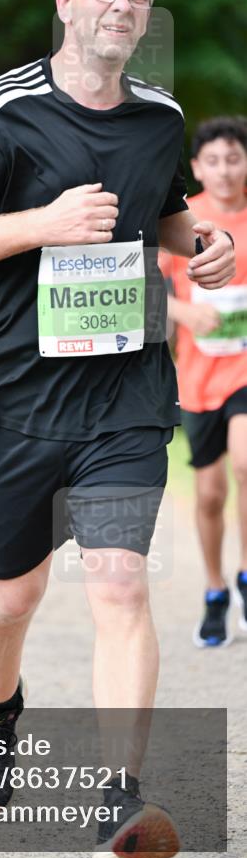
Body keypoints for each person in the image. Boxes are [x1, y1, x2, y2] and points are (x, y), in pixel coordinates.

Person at [0, 0, 235, 858]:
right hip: (9, 399)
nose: (122, 3)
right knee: (10, 598)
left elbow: (160, 208)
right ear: (64, 1)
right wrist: (41, 224)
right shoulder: (2, 109)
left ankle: (118, 808)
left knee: (118, 582)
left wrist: (201, 240)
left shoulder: (158, 117)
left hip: (123, 395)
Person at [159, 116, 247, 647]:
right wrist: (185, 315)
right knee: (210, 492)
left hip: (244, 370)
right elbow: (145, 286)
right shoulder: (182, 221)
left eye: (233, 158)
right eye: (212, 160)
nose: (224, 169)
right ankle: (216, 588)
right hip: (196, 375)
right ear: (197, 167)